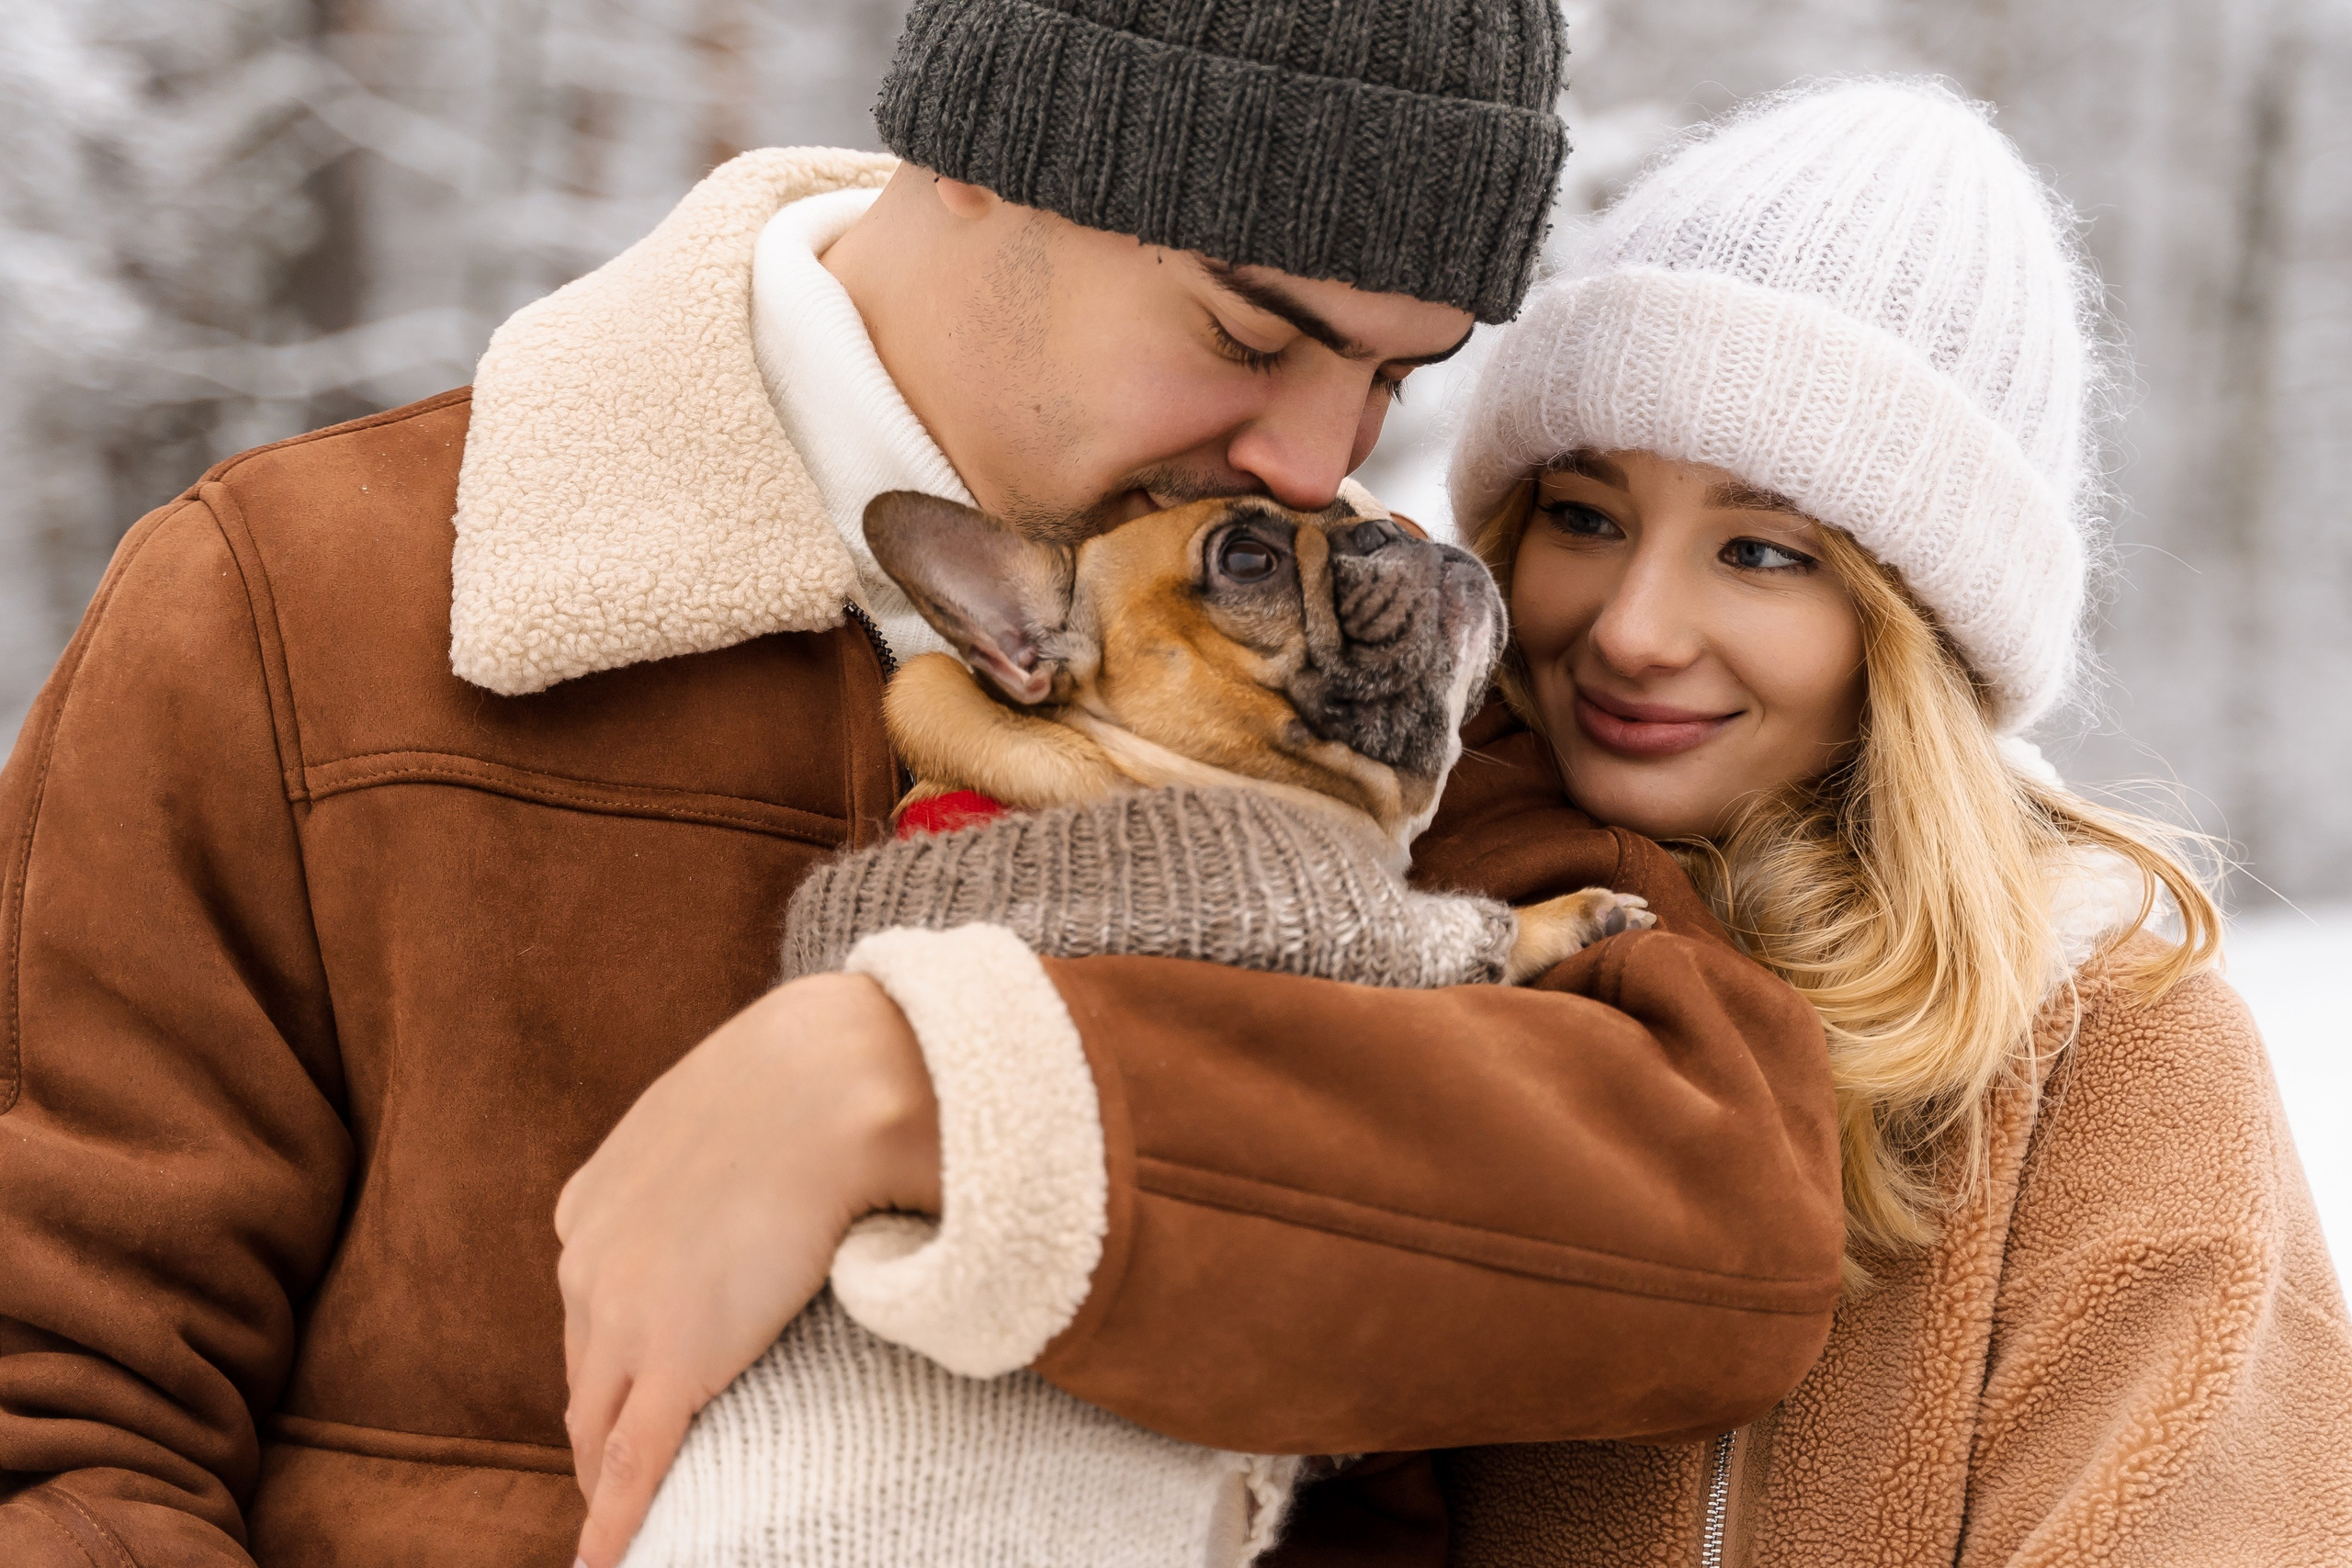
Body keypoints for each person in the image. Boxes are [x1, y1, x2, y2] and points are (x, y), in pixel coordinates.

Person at [0, 5, 1850, 1565]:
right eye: (1248, 330)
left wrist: (934, 1085)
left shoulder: (1351, 688)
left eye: (1392, 377)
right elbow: (58, 1414)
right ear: (975, 148)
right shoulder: (305, 601)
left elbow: (1715, 1214)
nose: (1313, 461)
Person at [1271, 79, 2352, 1566]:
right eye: (1586, 516)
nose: (1636, 629)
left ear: (1912, 632)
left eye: (1762, 552)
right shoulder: (1367, 922)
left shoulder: (2106, 1054)